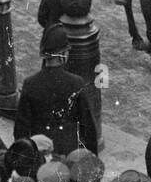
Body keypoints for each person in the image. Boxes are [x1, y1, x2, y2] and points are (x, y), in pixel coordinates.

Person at [13, 24, 98, 156]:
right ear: (62, 54)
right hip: (70, 150)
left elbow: (20, 129)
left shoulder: (30, 83)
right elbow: (88, 126)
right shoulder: (76, 82)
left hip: (41, 150)